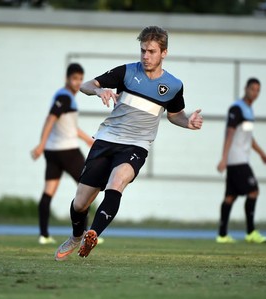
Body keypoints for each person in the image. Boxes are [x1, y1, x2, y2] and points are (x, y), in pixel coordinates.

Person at [54, 26, 203, 261]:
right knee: (81, 202)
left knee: (117, 181)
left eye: (151, 51)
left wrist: (189, 122)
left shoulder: (173, 85)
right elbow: (86, 85)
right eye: (143, 50)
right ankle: (76, 235)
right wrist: (99, 90)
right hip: (107, 139)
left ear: (164, 53)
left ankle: (93, 233)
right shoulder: (126, 72)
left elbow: (175, 115)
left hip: (136, 145)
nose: (145, 56)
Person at [31, 63, 94, 245]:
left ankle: (44, 235)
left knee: (48, 192)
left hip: (53, 152)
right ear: (67, 79)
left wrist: (86, 139)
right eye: (74, 79)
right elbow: (50, 119)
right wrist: (40, 144)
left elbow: (70, 127)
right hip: (67, 151)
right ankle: (86, 234)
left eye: (80, 79)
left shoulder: (65, 97)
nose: (77, 83)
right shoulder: (64, 97)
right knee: (87, 189)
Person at [216, 78, 266, 244]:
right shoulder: (237, 108)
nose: (255, 92)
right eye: (252, 88)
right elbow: (230, 132)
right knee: (253, 191)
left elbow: (248, 137)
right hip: (237, 160)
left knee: (230, 197)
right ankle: (251, 232)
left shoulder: (249, 110)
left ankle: (222, 235)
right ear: (245, 88)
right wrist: (224, 158)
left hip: (239, 159)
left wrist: (261, 153)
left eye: (258, 90)